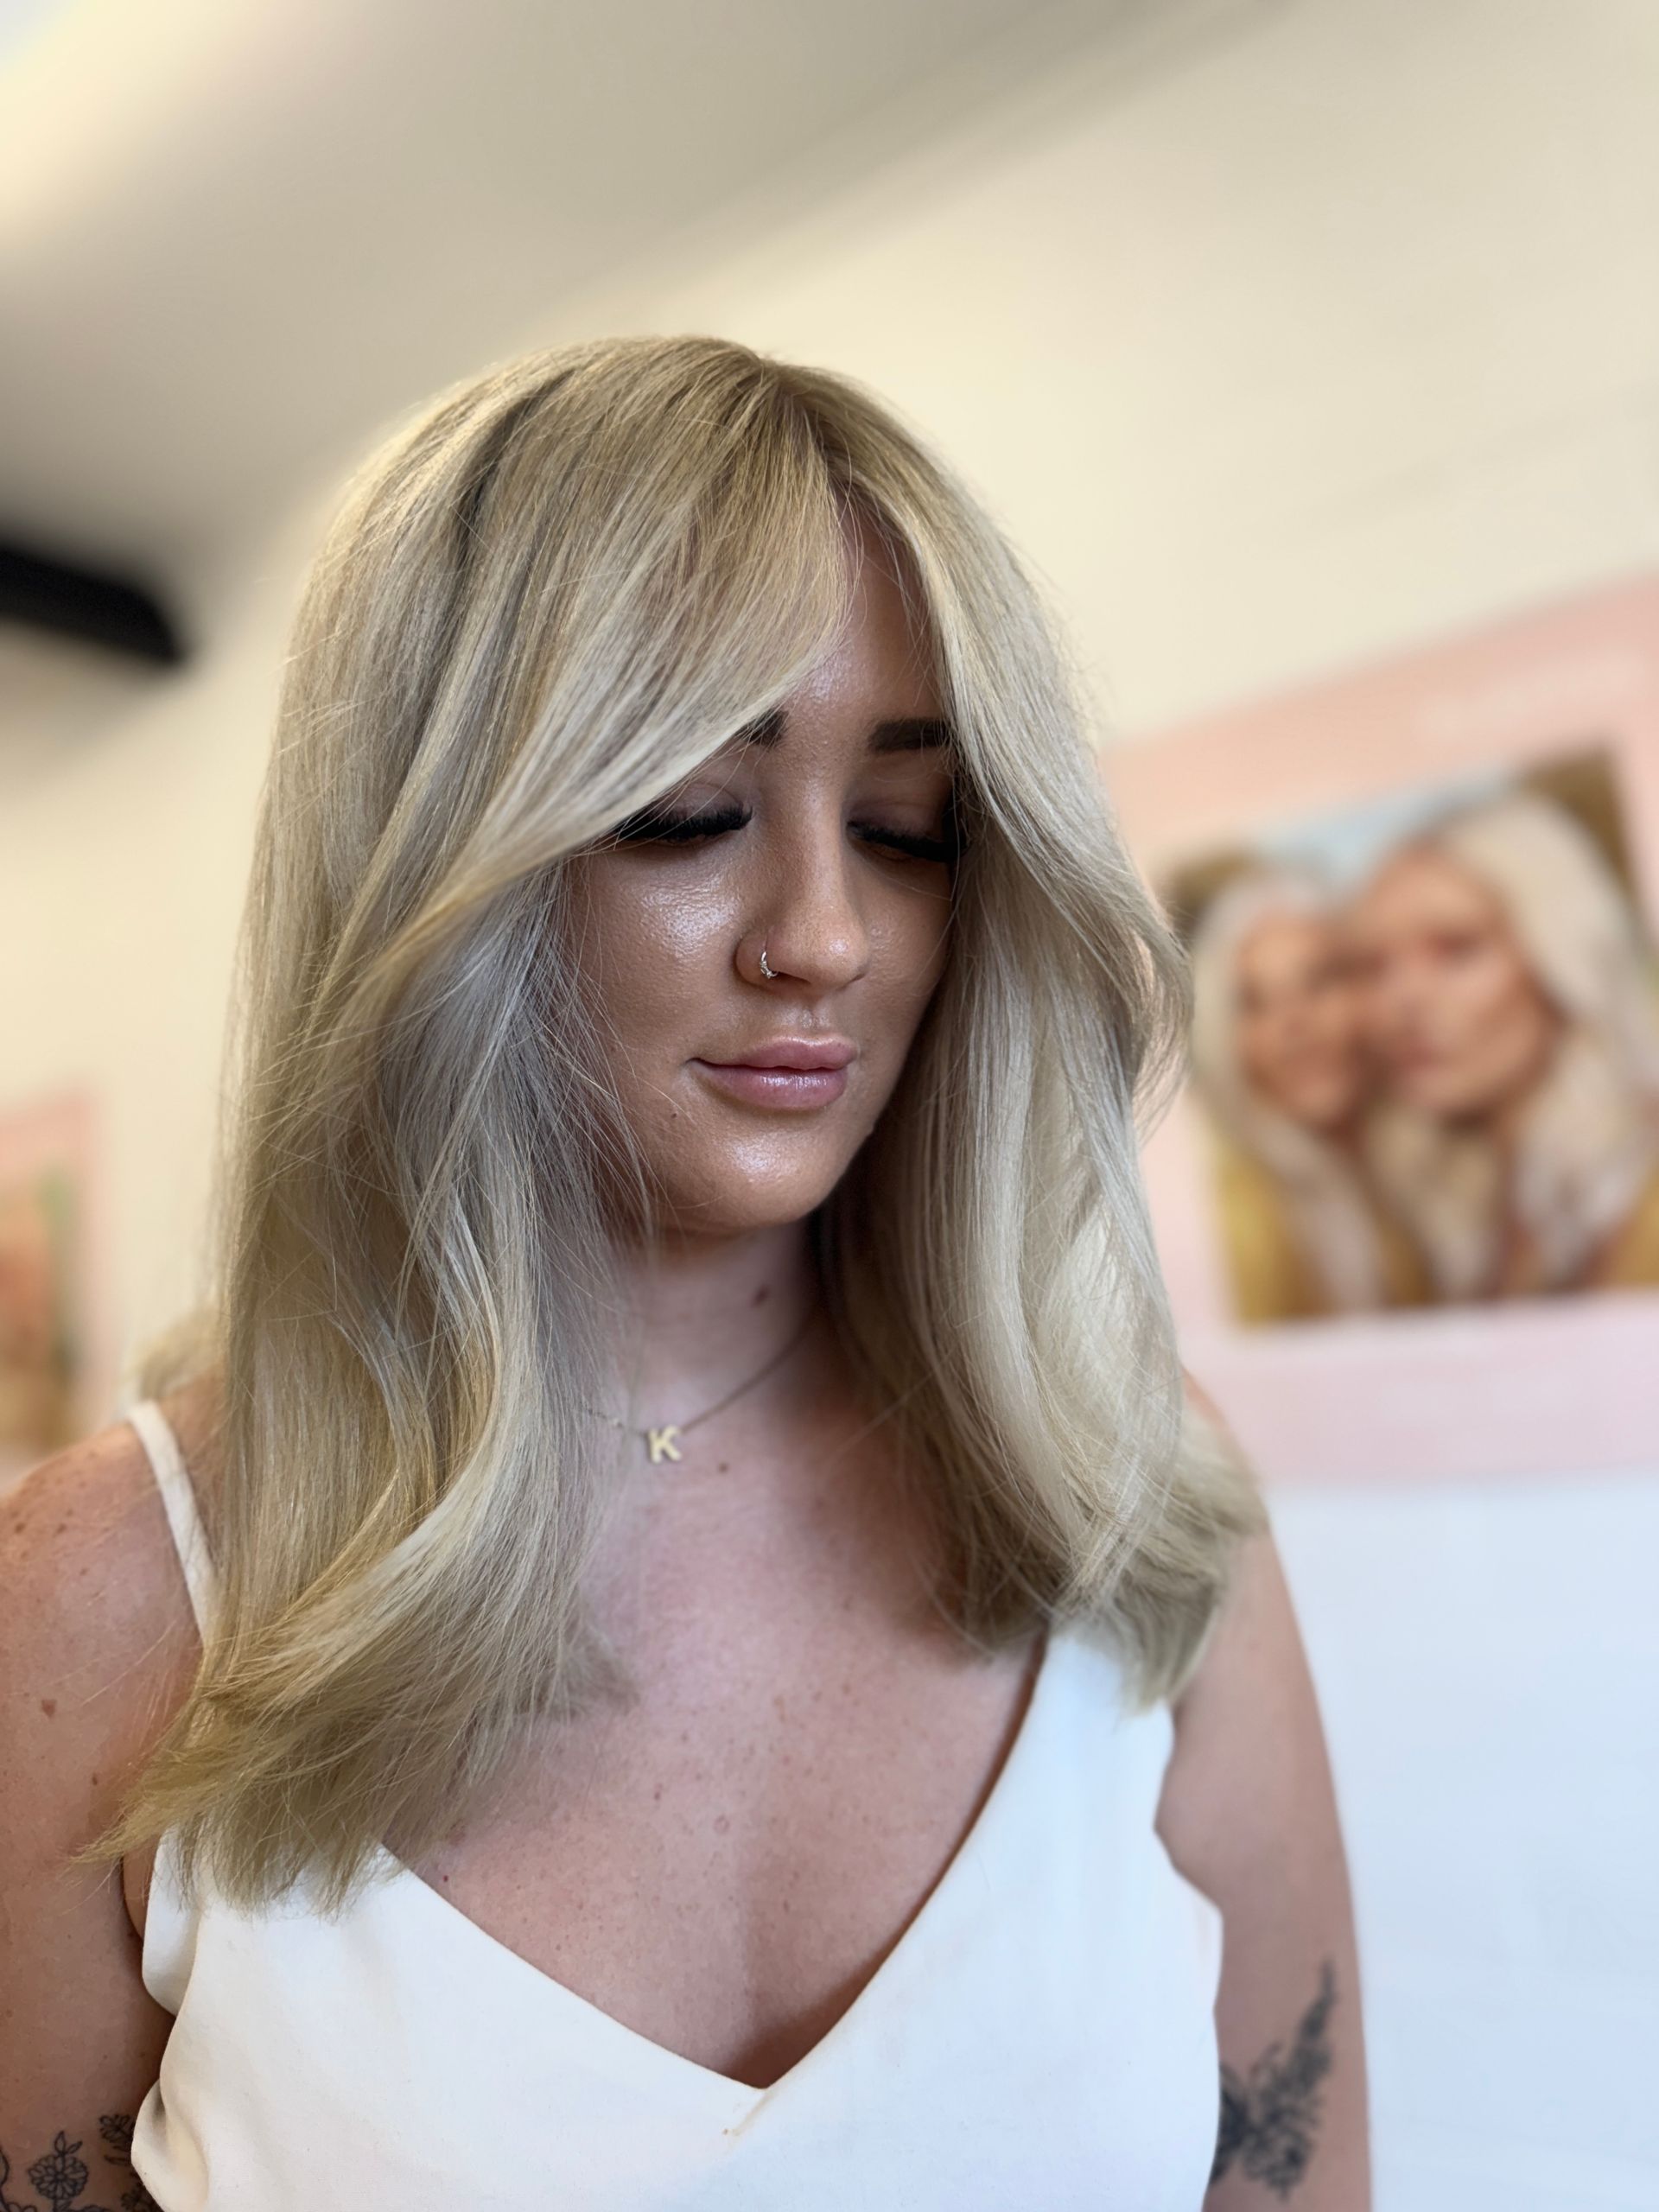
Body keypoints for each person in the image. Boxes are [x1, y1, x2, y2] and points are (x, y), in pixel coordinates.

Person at [1, 335, 1370, 2208]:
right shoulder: (104, 1594)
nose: (826, 933)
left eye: (908, 827)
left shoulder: (1127, 1492)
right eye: (686, 811)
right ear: (430, 863)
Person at [1345, 785, 1659, 1300]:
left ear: (1560, 961)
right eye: (1375, 966)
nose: (1402, 1001)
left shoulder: (1643, 1195)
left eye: (1457, 949)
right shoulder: (1454, 1215)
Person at [1187, 865, 1430, 1323]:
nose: (1293, 1023)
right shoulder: (1234, 1215)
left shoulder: (1415, 1167)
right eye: (1256, 1002)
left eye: (1319, 981)